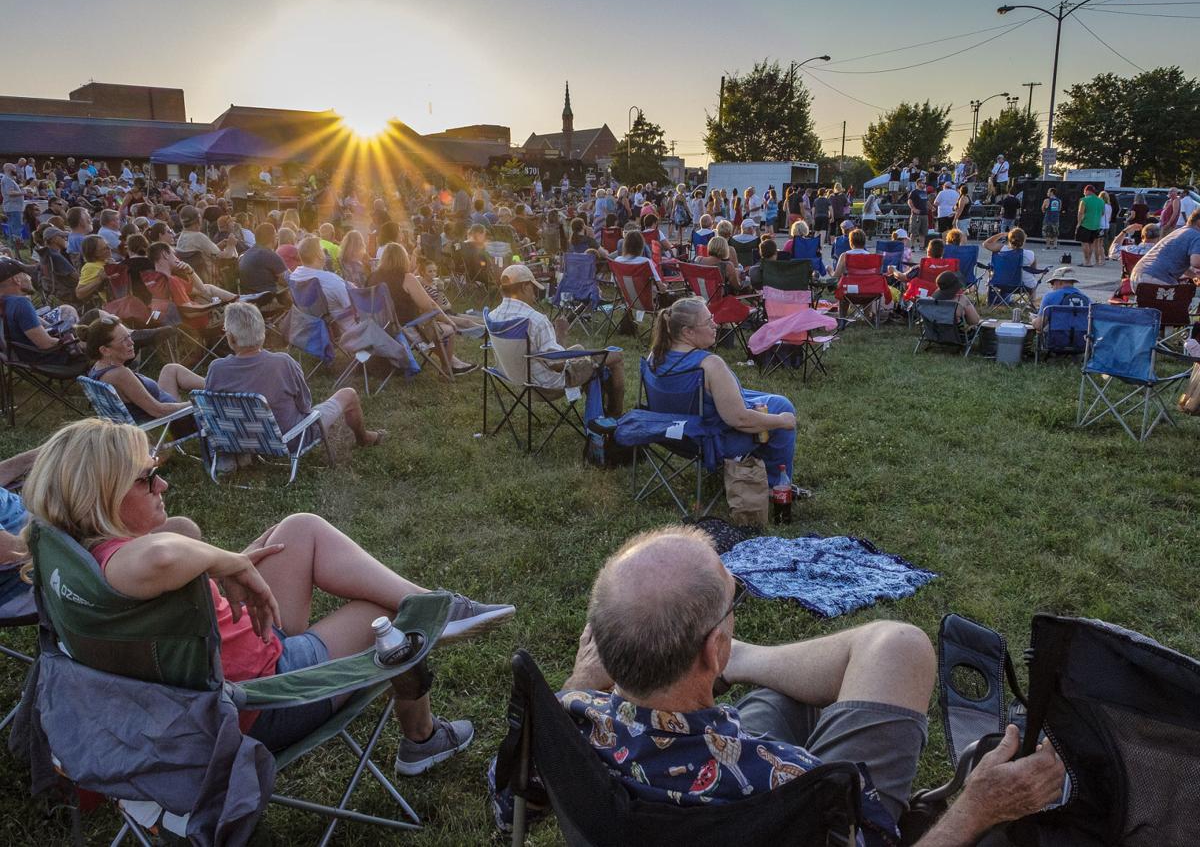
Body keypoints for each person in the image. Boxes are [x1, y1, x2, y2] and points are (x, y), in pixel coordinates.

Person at [489, 526, 1065, 842]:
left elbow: (507, 794)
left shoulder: (563, 723)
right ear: (713, 645)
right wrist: (980, 807)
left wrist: (581, 682)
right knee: (898, 646)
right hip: (764, 809)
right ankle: (744, 664)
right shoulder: (795, 780)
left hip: (664, 754)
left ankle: (741, 667)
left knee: (782, 696)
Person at [21, 417, 515, 767]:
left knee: (300, 529)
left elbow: (174, 542)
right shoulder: (126, 564)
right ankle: (423, 731)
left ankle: (440, 607)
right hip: (261, 696)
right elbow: (163, 556)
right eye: (147, 479)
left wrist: (214, 560)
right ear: (99, 494)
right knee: (390, 617)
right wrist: (225, 560)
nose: (163, 484)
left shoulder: (75, 557)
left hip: (212, 667)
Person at [649, 297, 796, 481]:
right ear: (688, 332)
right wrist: (782, 421)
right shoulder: (709, 365)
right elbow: (740, 420)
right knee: (783, 407)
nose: (715, 324)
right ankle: (775, 484)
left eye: (712, 317)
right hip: (711, 441)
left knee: (770, 401)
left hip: (675, 434)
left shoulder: (655, 356)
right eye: (708, 322)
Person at [206, 302, 386, 449]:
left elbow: (212, 412)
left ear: (230, 338)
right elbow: (305, 406)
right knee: (349, 394)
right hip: (289, 440)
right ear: (262, 333)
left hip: (238, 440)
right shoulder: (283, 363)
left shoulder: (217, 369)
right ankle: (364, 438)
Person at [488, 264, 625, 416]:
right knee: (615, 356)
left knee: (579, 350)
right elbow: (557, 364)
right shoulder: (535, 320)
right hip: (547, 387)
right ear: (525, 287)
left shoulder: (493, 316)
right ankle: (615, 415)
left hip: (517, 380)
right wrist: (561, 333)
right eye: (533, 288)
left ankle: (600, 412)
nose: (535, 293)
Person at [369, 243, 479, 376]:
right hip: (401, 332)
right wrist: (449, 321)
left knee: (429, 326)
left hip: (376, 331)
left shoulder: (372, 277)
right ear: (404, 258)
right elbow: (430, 305)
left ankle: (454, 362)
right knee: (446, 329)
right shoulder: (406, 278)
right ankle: (447, 369)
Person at [79, 314, 203, 423]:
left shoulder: (98, 368)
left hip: (167, 409)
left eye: (129, 336)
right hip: (170, 422)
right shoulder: (120, 374)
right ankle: (217, 392)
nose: (131, 343)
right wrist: (197, 402)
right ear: (105, 350)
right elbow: (158, 411)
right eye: (124, 340)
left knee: (171, 369)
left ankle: (217, 386)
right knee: (205, 396)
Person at [0, 256, 81, 365]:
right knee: (97, 317)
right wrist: (74, 341)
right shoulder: (20, 303)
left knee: (66, 309)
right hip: (48, 357)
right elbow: (46, 344)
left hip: (18, 353)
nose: (29, 278)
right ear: (16, 280)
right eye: (25, 274)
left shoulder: (5, 302)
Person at [1129, 208, 1200, 287]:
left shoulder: (1179, 231)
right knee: (1183, 296)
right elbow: (1196, 262)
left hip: (1137, 276)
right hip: (1157, 278)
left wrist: (1194, 276)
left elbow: (1174, 262)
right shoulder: (1197, 235)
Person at [1031, 266, 1089, 331]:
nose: (1051, 286)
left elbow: (1039, 326)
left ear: (1058, 282)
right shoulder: (1086, 298)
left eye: (1052, 283)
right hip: (1081, 339)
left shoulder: (1050, 296)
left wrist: (1033, 320)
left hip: (1057, 338)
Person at [983, 227, 1038, 293]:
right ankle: (1032, 301)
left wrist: (1001, 234)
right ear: (1024, 240)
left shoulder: (1003, 249)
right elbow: (1033, 270)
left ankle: (998, 300)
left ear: (1009, 239)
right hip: (1022, 286)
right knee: (1033, 282)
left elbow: (986, 244)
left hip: (1000, 283)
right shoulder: (1030, 254)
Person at [239, 222, 289, 294]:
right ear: (273, 238)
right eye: (276, 235)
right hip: (266, 298)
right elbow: (287, 281)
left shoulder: (247, 253)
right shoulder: (268, 254)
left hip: (249, 297)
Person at [1075, 186, 1106, 267]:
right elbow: (1102, 213)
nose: (1084, 193)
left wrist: (1078, 223)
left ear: (1087, 191)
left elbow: (1080, 213)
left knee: (1084, 243)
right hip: (1096, 225)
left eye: (1084, 191)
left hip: (1085, 224)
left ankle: (1087, 261)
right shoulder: (1101, 201)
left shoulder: (1084, 200)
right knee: (1091, 244)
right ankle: (1089, 261)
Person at [2, 164, 25, 244]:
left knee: (12, 228)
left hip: (12, 207)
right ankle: (15, 248)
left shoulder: (9, 179)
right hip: (13, 208)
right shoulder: (7, 179)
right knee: (16, 229)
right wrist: (23, 193)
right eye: (14, 169)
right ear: (9, 169)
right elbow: (10, 193)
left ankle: (13, 246)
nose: (16, 170)